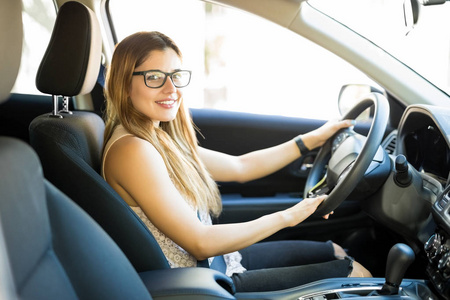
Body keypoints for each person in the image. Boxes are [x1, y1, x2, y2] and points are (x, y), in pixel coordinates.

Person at [102, 31, 371, 293]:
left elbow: (241, 167)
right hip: (199, 284)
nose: (171, 89)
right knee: (357, 274)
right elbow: (199, 242)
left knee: (334, 251)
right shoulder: (133, 149)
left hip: (218, 263)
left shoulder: (157, 138)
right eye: (155, 77)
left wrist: (309, 141)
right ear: (125, 84)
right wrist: (289, 216)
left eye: (176, 76)